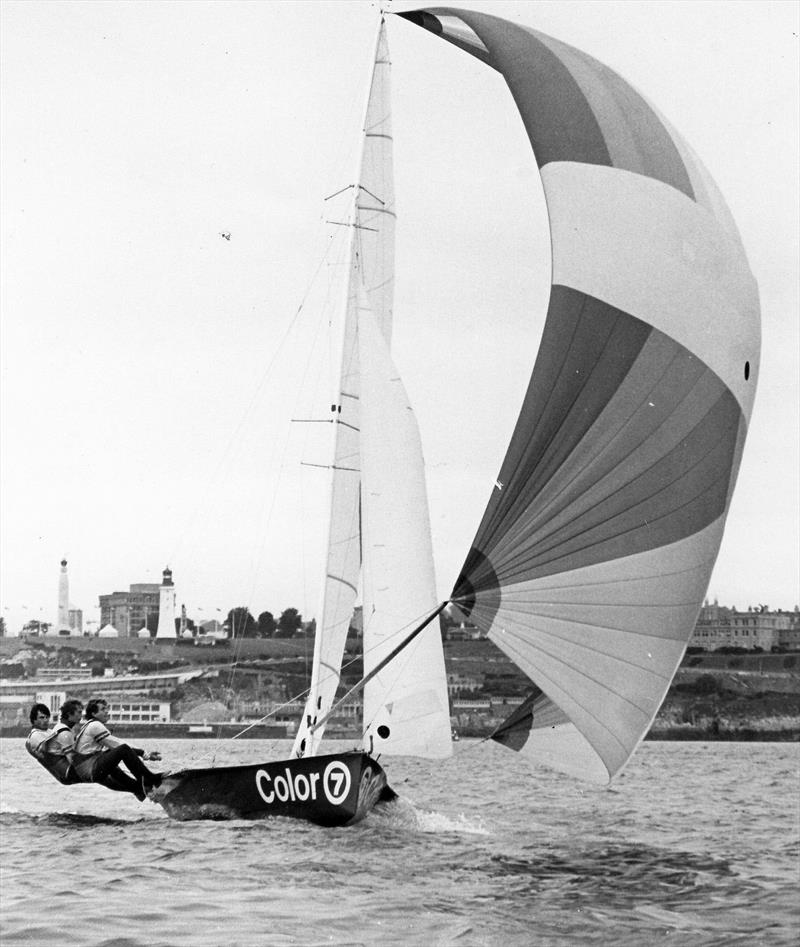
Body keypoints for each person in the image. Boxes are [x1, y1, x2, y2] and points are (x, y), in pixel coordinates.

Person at [72, 698, 162, 801]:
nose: (107, 711)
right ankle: (149, 779)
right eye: (103, 709)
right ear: (94, 713)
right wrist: (144, 753)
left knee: (112, 756)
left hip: (85, 771)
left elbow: (111, 748)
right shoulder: (95, 726)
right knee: (122, 750)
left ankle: (138, 789)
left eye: (107, 708)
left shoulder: (88, 725)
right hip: (89, 769)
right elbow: (118, 744)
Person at [25, 702, 80, 784]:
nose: (46, 720)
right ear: (34, 720)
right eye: (41, 717)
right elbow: (49, 752)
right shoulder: (35, 735)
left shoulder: (50, 731)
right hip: (63, 770)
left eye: (47, 717)